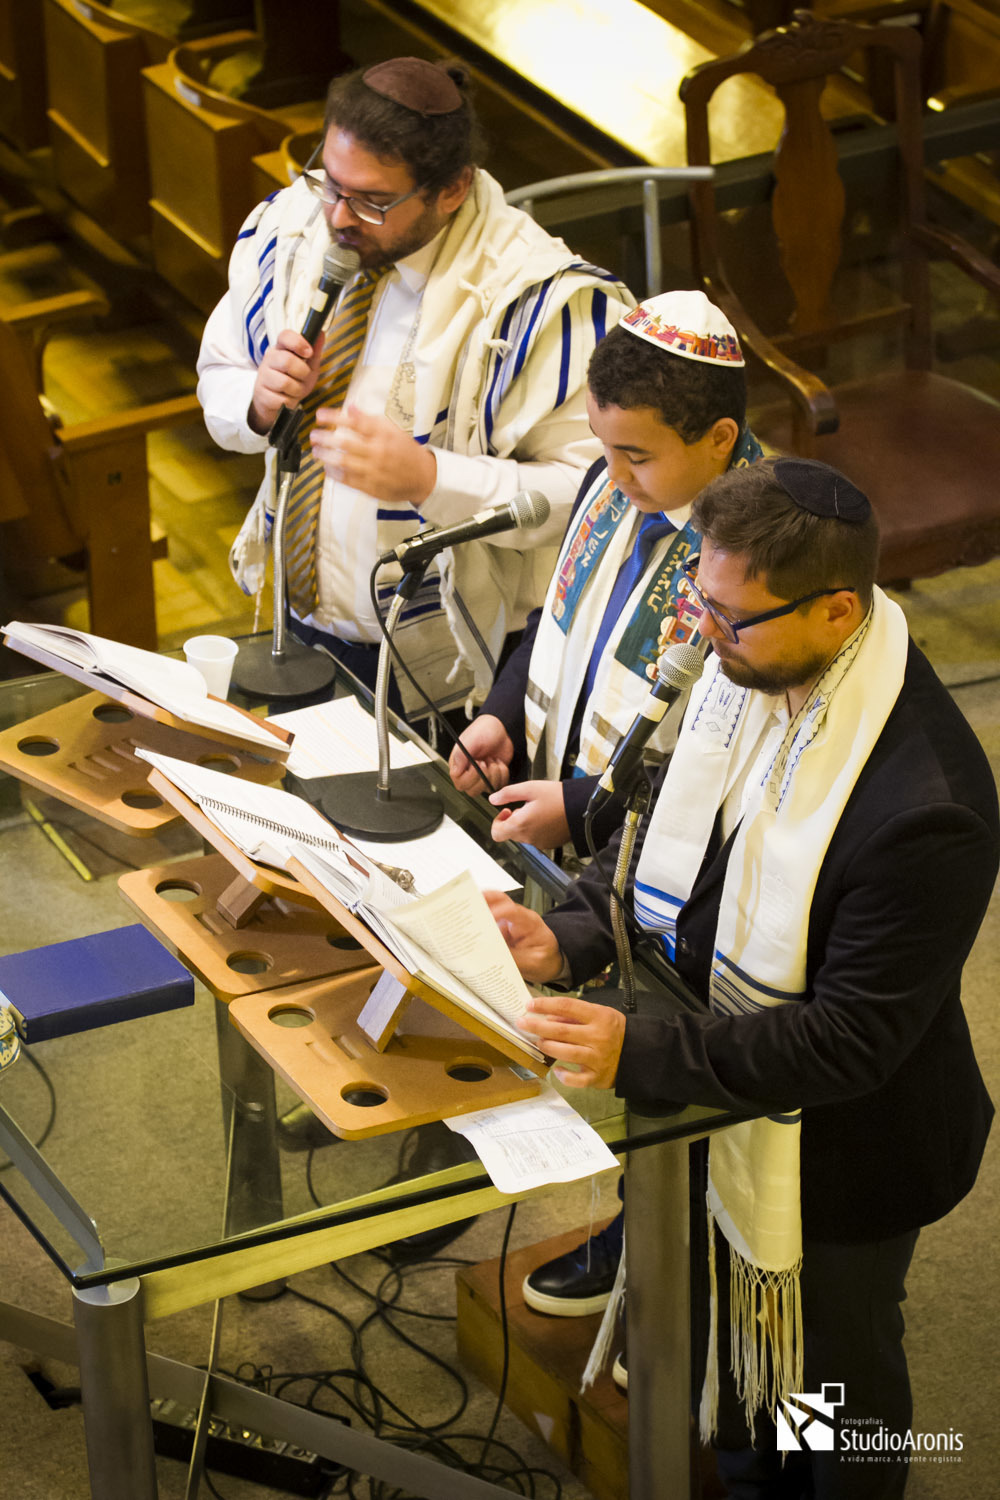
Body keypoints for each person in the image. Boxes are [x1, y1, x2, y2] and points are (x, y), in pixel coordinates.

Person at [486, 456, 998, 1498]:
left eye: (730, 618)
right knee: (726, 1345)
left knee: (827, 1375)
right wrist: (571, 938)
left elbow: (848, 1042)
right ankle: (748, 1472)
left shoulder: (926, 808)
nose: (702, 635)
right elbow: (654, 842)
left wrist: (640, 1048)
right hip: (710, 1094)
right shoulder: (743, 672)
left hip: (847, 1151)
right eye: (701, 601)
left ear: (836, 609)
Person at [196, 56, 632, 717]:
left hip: (457, 668)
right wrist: (257, 400)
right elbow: (218, 370)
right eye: (330, 182)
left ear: (451, 189)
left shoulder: (540, 301)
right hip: (296, 627)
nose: (337, 217)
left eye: (372, 201)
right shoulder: (290, 229)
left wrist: (430, 478)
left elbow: (597, 495)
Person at [448, 289, 760, 856]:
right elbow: (557, 623)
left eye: (637, 457)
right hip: (554, 805)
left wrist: (580, 809)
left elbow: (734, 755)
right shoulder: (609, 487)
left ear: (720, 439)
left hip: (646, 852)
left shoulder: (756, 556)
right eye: (603, 444)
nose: (614, 473)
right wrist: (504, 716)